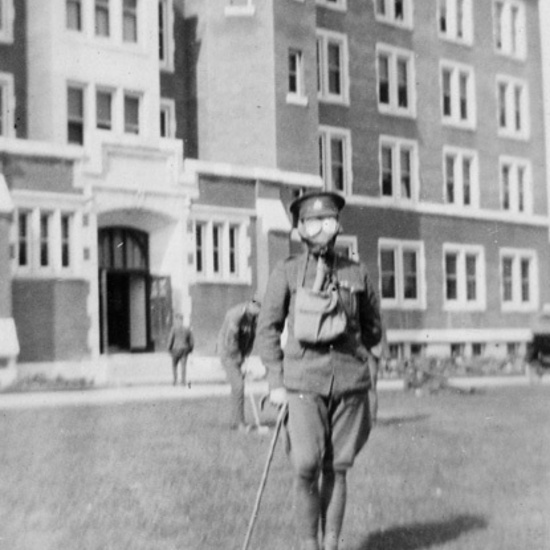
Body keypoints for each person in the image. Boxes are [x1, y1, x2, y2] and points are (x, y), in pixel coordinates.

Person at [256, 191, 382, 550]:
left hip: (348, 383)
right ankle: (308, 544)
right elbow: (267, 329)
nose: (321, 227)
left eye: (328, 220)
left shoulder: (357, 272)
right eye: (312, 221)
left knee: (337, 467)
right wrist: (276, 383)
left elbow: (373, 328)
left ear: (337, 226)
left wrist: (364, 365)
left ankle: (331, 545)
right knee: (306, 465)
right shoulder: (288, 272)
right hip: (302, 384)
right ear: (300, 228)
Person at [217, 295, 262, 432]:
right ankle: (240, 424)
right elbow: (231, 340)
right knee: (238, 386)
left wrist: (246, 356)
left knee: (237, 388)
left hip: (239, 354)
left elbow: (251, 337)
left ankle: (234, 422)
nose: (260, 311)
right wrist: (237, 358)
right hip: (227, 353)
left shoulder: (253, 317)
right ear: (250, 304)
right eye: (258, 306)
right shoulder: (236, 315)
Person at [167, 313, 194, 387]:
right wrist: (190, 349)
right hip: (184, 349)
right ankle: (183, 381)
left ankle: (175, 381)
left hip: (175, 349)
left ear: (176, 320)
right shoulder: (187, 329)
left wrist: (169, 349)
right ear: (182, 320)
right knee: (183, 366)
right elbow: (191, 341)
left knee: (174, 365)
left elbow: (170, 340)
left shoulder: (174, 328)